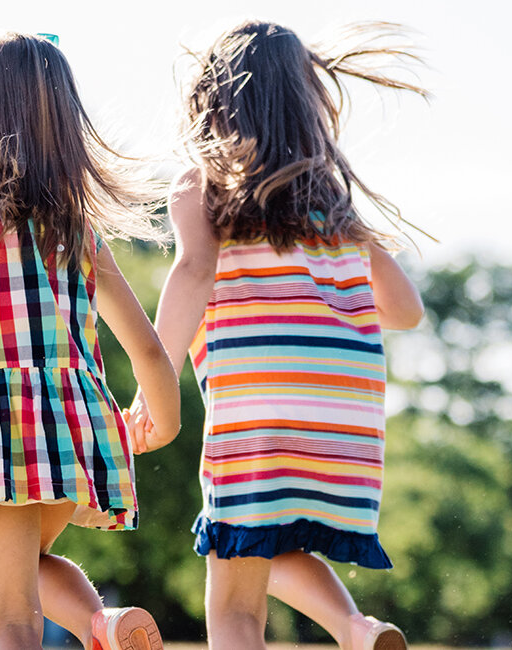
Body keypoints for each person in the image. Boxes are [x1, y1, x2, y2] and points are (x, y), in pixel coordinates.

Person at [133, 19, 429, 650]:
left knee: (235, 606)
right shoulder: (334, 211)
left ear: (215, 100)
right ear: (305, 106)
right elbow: (406, 311)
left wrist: (152, 381)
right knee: (271, 542)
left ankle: (351, 627)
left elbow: (192, 272)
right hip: (343, 415)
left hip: (257, 407)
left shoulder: (205, 184)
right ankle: (355, 627)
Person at [0, 32, 181, 650]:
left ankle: (99, 622)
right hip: (76, 423)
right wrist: (165, 418)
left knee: (11, 619)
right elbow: (148, 346)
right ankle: (100, 622)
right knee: (28, 569)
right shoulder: (77, 226)